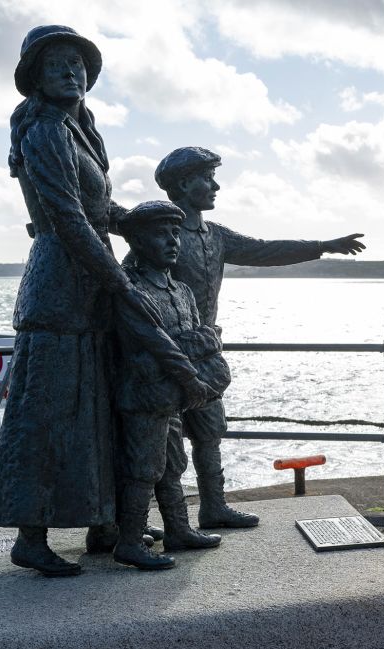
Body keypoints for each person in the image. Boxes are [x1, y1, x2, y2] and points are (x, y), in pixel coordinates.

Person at [0, 26, 201, 577]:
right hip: (60, 285)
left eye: (78, 64)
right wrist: (121, 281)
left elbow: (100, 212)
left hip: (89, 286)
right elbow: (68, 219)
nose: (71, 72)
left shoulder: (80, 130)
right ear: (34, 75)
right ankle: (30, 537)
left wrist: (141, 221)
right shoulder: (43, 131)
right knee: (47, 412)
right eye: (56, 63)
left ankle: (103, 524)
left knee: (98, 407)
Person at [153, 147, 366, 529]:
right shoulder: (160, 232)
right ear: (184, 183)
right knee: (164, 438)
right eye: (207, 178)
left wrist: (322, 246)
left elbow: (265, 250)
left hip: (205, 350)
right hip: (165, 351)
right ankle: (174, 522)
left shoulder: (214, 235)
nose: (215, 186)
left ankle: (213, 506)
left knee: (209, 431)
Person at [111, 200, 226, 570]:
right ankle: (129, 541)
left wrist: (193, 347)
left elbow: (197, 339)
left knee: (173, 465)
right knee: (144, 469)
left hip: (174, 397)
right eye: (162, 233)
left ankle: (178, 529)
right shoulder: (131, 290)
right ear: (138, 241)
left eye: (176, 232)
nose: (173, 240)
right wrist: (194, 347)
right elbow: (152, 347)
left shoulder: (181, 291)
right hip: (145, 396)